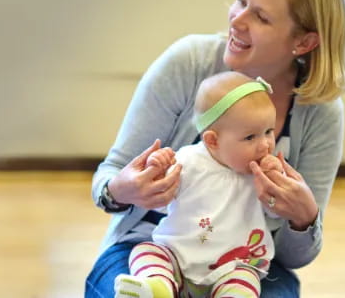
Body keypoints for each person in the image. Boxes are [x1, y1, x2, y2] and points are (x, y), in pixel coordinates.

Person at [86, 0, 345, 297]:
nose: (237, 20)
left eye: (261, 17)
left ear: (303, 42)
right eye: (242, 1)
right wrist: (121, 190)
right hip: (151, 249)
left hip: (244, 267)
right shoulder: (188, 63)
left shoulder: (320, 113)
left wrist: (303, 219)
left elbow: (293, 258)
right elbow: (110, 175)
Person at [114, 71, 284, 298]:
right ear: (212, 141)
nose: (265, 145)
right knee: (145, 251)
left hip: (232, 266)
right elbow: (158, 201)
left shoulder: (264, 173)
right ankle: (158, 288)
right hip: (178, 259)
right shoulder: (187, 162)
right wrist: (156, 171)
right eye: (250, 137)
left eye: (268, 132)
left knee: (246, 278)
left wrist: (276, 187)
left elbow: (276, 215)